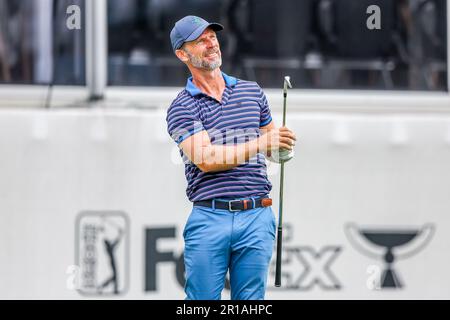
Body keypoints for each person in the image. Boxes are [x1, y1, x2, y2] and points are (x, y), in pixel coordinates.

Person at [166, 15, 297, 300]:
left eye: (212, 36)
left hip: (257, 215)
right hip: (210, 216)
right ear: (182, 54)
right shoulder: (181, 106)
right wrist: (264, 142)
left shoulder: (252, 92)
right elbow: (206, 158)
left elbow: (273, 150)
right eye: (200, 40)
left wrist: (282, 147)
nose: (211, 43)